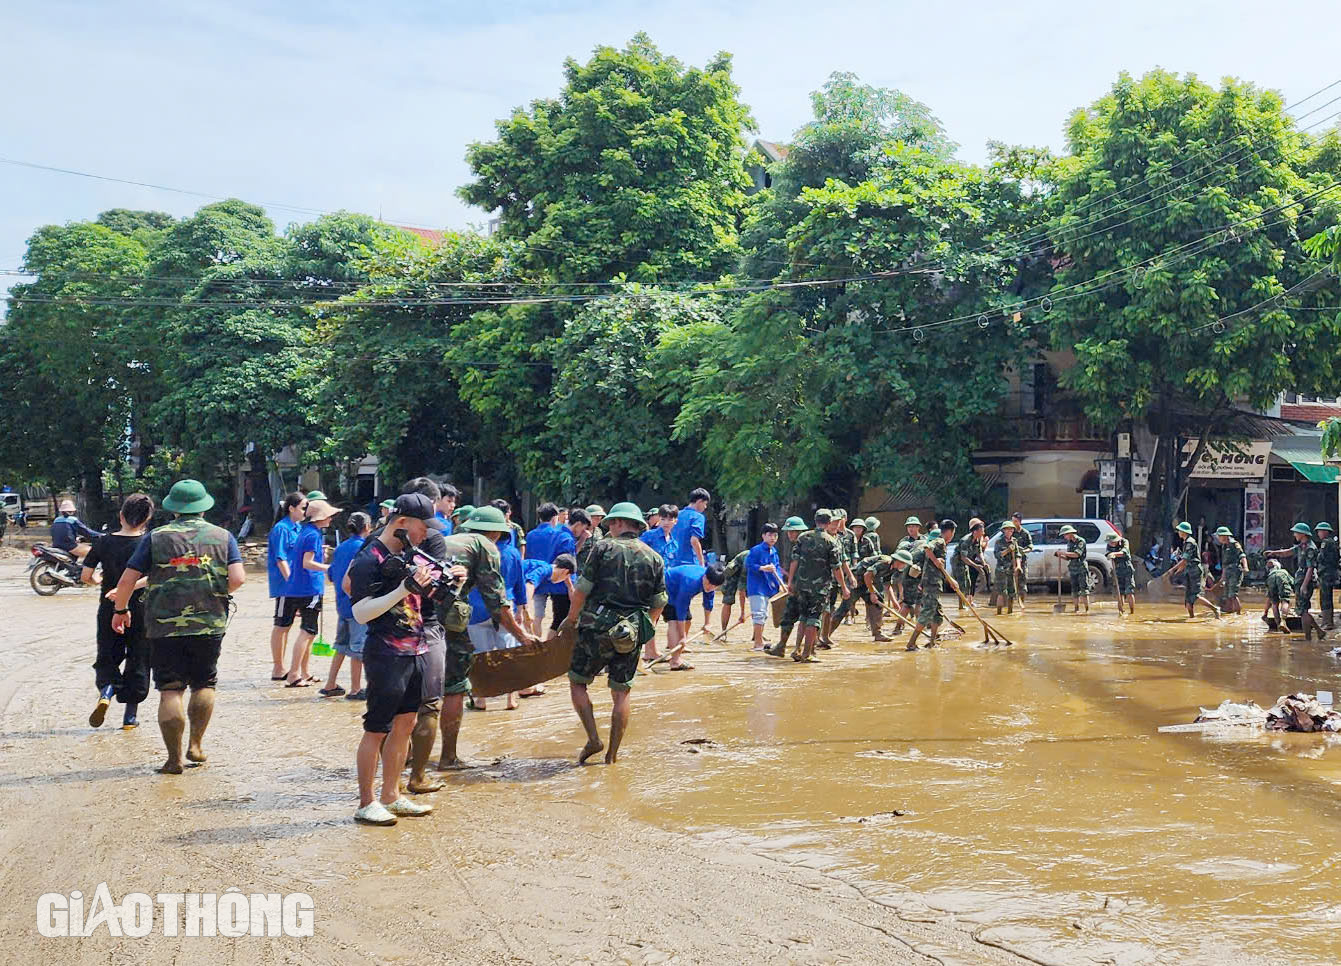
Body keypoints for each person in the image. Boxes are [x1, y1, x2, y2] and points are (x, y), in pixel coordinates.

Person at [109, 479, 244, 775]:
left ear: (173, 509)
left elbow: (127, 580)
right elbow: (238, 579)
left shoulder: (155, 538)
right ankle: (196, 745)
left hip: (163, 625)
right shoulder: (223, 537)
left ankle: (173, 760)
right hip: (209, 622)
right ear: (203, 508)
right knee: (205, 683)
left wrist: (120, 610)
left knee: (170, 689)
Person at [347, 493, 444, 825]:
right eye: (422, 527)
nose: (425, 534)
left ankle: (392, 794)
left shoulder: (407, 555)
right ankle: (366, 801)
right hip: (385, 653)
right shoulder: (368, 558)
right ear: (402, 523)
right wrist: (404, 589)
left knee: (407, 723)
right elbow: (360, 613)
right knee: (377, 728)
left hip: (415, 649)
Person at [426, 505, 538, 777]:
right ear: (496, 533)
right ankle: (448, 757)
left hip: (415, 621)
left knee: (421, 688)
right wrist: (522, 635)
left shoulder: (446, 540)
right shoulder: (485, 547)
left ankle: (408, 756)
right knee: (454, 686)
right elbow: (497, 603)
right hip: (447, 624)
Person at [559, 503, 667, 764]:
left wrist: (571, 620)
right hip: (629, 633)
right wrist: (644, 629)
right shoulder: (654, 557)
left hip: (595, 627)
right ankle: (612, 756)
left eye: (611, 524)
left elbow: (583, 589)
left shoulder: (603, 548)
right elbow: (659, 602)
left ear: (619, 523)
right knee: (621, 693)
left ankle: (594, 738)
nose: (608, 528)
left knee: (578, 682)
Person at [81, 493, 155, 730]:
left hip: (109, 608)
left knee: (108, 654)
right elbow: (156, 576)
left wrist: (103, 585)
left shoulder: (102, 541)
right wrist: (131, 587)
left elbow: (86, 576)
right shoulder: (150, 542)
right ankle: (130, 718)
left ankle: (107, 690)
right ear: (147, 518)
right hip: (142, 608)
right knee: (139, 658)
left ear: (120, 515)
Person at [769, 510, 846, 662]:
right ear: (829, 522)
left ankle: (795, 650)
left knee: (802, 617)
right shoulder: (830, 541)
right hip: (820, 588)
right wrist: (844, 587)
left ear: (815, 520)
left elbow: (794, 561)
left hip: (800, 587)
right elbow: (836, 567)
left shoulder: (803, 538)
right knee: (813, 618)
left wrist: (790, 582)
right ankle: (806, 653)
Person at [281, 499, 340, 687]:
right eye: (329, 516)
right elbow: (308, 563)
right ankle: (294, 674)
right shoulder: (313, 535)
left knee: (309, 632)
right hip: (309, 588)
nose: (331, 519)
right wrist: (330, 568)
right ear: (321, 518)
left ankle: (304, 672)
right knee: (307, 631)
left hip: (298, 588)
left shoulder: (306, 532)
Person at [321, 512, 370, 700]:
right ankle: (356, 688)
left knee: (341, 646)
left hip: (341, 605)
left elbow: (331, 575)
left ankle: (330, 684)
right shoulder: (364, 548)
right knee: (358, 650)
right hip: (357, 606)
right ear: (367, 527)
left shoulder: (340, 548)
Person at [658, 562, 726, 670]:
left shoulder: (711, 581)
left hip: (680, 592)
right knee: (674, 622)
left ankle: (676, 646)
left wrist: (707, 623)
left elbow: (708, 601)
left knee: (688, 620)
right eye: (708, 583)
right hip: (667, 589)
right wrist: (682, 636)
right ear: (704, 577)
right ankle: (675, 661)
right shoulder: (691, 582)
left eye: (714, 586)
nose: (709, 587)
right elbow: (680, 610)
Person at [267, 492, 306, 681]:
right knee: (281, 625)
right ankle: (278, 668)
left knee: (289, 625)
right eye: (303, 507)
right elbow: (281, 559)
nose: (305, 511)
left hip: (296, 585)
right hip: (286, 585)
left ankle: (287, 667)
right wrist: (292, 585)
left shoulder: (298, 528)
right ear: (292, 508)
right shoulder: (281, 529)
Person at [831, 550, 909, 643]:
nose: (904, 566)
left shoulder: (893, 569)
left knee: (877, 604)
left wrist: (894, 602)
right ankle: (825, 634)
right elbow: (867, 575)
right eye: (904, 563)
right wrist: (872, 593)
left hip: (867, 583)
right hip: (856, 581)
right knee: (844, 608)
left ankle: (878, 633)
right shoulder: (885, 562)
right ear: (898, 561)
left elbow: (888, 585)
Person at [908, 520, 958, 650]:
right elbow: (927, 547)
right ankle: (911, 642)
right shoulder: (940, 541)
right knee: (927, 613)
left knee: (937, 613)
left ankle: (932, 642)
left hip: (935, 582)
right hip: (931, 583)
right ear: (949, 532)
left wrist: (950, 580)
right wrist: (936, 561)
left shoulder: (942, 544)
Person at [1168, 521, 1220, 619]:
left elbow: (1184, 560)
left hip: (1194, 572)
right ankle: (1191, 618)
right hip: (1189, 572)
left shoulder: (1190, 542)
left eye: (1179, 530)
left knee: (1195, 596)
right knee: (1188, 600)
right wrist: (1176, 572)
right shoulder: (1186, 542)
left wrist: (1173, 569)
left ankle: (1215, 609)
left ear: (1183, 532)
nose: (1178, 532)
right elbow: (1184, 563)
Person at [745, 524, 784, 650]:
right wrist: (762, 568)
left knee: (764, 615)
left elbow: (776, 569)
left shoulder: (774, 551)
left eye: (775, 535)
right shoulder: (756, 550)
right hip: (756, 587)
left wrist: (781, 585)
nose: (773, 538)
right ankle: (757, 643)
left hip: (768, 588)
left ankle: (759, 640)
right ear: (763, 536)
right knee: (759, 614)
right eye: (770, 535)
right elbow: (749, 565)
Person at [1267, 522, 1318, 616]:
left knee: (1303, 607)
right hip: (1300, 578)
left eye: (1296, 532)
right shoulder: (1302, 545)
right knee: (1300, 605)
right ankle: (1306, 626)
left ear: (1303, 534)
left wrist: (1304, 585)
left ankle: (1311, 628)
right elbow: (1288, 552)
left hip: (1305, 579)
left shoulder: (1310, 548)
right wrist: (1274, 553)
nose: (1294, 535)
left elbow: (1310, 568)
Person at [526, 502, 563, 624]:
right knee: (557, 616)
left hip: (536, 578)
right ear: (554, 517)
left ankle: (537, 640)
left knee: (538, 615)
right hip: (556, 578)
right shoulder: (559, 535)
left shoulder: (530, 535)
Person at [894, 516, 926, 630]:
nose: (911, 529)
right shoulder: (904, 542)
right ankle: (899, 626)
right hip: (908, 576)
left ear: (918, 527)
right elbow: (898, 559)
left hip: (921, 576)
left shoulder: (925, 540)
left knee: (919, 603)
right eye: (909, 527)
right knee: (907, 603)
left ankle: (919, 626)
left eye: (913, 526)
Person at [1210, 527, 1246, 616]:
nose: (1218, 538)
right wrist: (1222, 577)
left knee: (1233, 595)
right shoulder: (1224, 546)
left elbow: (1242, 555)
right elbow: (1225, 564)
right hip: (1228, 571)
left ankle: (1239, 614)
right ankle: (1229, 612)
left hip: (1235, 571)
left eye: (1219, 536)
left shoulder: (1234, 544)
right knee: (1227, 594)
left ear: (1224, 536)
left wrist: (1245, 567)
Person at [953, 518, 989, 609]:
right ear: (975, 531)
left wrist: (983, 562)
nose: (983, 532)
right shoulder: (966, 541)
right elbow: (963, 557)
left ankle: (968, 602)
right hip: (958, 563)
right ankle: (961, 606)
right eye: (982, 530)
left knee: (968, 583)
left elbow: (979, 551)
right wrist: (975, 566)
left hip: (966, 562)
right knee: (962, 584)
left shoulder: (977, 539)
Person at [1055, 524, 1090, 614]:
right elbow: (1068, 558)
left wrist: (1063, 552)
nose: (1064, 537)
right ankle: (1076, 608)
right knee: (1074, 590)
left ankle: (1087, 609)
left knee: (1084, 589)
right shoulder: (1070, 543)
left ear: (1070, 533)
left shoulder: (1081, 541)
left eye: (1065, 535)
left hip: (1081, 568)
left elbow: (1076, 554)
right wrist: (1060, 555)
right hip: (1073, 569)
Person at [670, 488, 709, 567]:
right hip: (689, 562)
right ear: (699, 501)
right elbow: (694, 540)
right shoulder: (698, 517)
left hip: (672, 562)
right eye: (705, 503)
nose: (705, 507)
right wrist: (701, 562)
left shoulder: (676, 515)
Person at [716, 547, 750, 636]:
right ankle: (723, 631)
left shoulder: (765, 558)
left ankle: (756, 635)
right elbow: (741, 591)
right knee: (728, 601)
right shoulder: (748, 563)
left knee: (756, 601)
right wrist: (742, 613)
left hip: (748, 572)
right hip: (732, 574)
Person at [994, 520, 1022, 615]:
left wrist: (1018, 566)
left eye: (1011, 529)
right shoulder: (998, 542)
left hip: (1011, 570)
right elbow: (998, 555)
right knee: (1001, 592)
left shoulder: (1014, 541)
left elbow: (1018, 555)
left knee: (1011, 592)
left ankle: (1010, 612)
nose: (1009, 531)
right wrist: (1008, 550)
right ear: (1003, 530)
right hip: (1001, 570)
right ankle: (999, 613)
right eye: (1007, 529)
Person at [1106, 532, 1137, 616]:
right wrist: (1110, 555)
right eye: (1110, 542)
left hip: (1127, 569)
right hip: (1117, 570)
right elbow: (1108, 554)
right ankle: (1121, 611)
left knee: (1129, 591)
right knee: (1120, 592)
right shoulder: (1109, 545)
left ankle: (1132, 613)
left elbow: (1124, 552)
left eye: (1113, 542)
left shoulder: (1124, 542)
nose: (1111, 544)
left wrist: (1115, 554)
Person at [1315, 521, 1338, 629]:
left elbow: (1321, 558)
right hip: (1328, 573)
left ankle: (1328, 623)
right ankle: (1327, 621)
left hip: (1326, 573)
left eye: (1319, 531)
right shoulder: (1331, 542)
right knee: (1326, 597)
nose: (1318, 533)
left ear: (1325, 532)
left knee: (1325, 598)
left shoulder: (1326, 543)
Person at [1263, 559, 1294, 632]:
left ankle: (1278, 624)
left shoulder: (1270, 575)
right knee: (1285, 600)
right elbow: (1293, 582)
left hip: (1271, 578)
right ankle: (1283, 621)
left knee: (1274, 602)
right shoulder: (1283, 571)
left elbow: (1268, 599)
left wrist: (1265, 613)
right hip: (1281, 577)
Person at [1011, 512, 1032, 598]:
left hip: (1022, 561)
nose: (1013, 523)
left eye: (1015, 521)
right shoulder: (1010, 531)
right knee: (1010, 584)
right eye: (1012, 521)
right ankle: (1010, 604)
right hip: (1011, 561)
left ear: (1019, 522)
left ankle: (1022, 603)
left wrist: (1023, 551)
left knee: (1022, 584)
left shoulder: (1025, 533)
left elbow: (1030, 546)